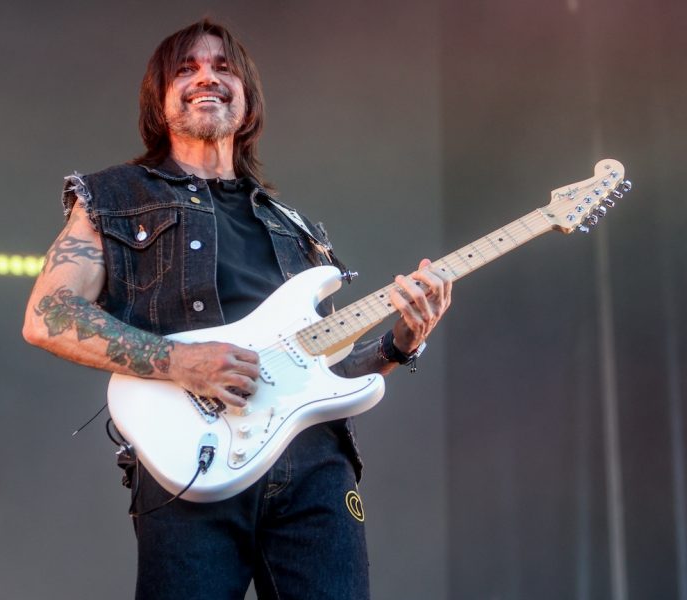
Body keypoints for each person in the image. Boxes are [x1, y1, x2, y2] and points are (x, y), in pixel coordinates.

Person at [22, 18, 452, 600]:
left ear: (247, 100)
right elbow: (48, 314)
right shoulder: (114, 198)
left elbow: (322, 376)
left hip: (315, 472)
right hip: (190, 462)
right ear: (159, 98)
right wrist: (180, 362)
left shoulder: (295, 228)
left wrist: (401, 343)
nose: (208, 77)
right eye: (187, 68)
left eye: (224, 67)